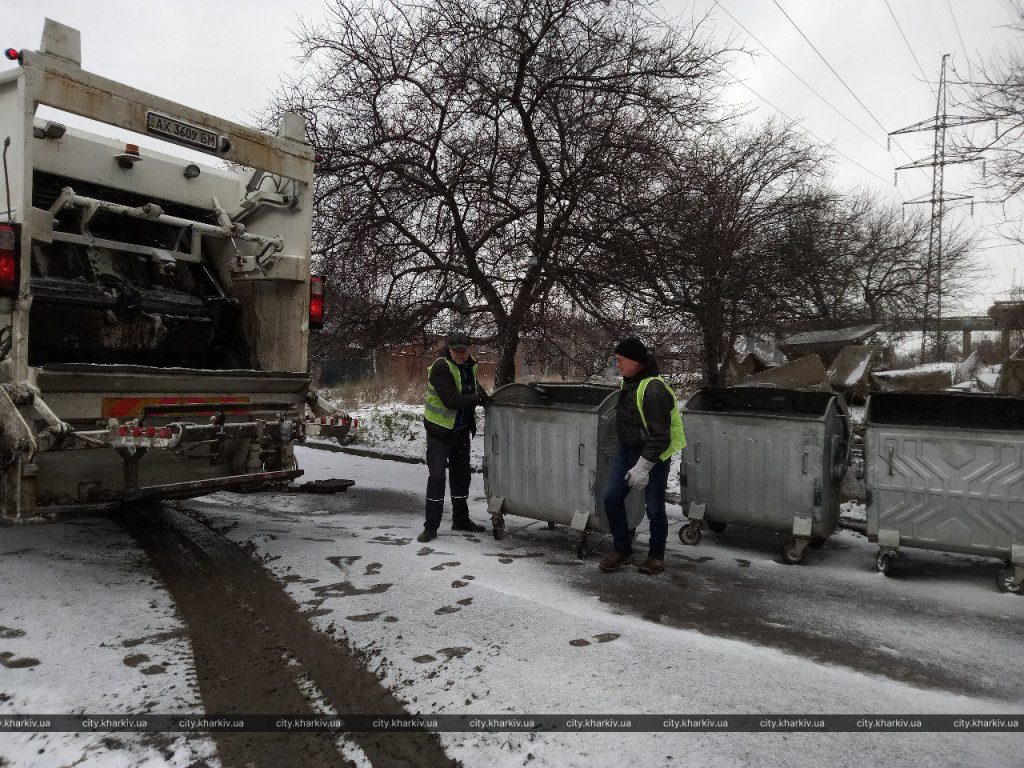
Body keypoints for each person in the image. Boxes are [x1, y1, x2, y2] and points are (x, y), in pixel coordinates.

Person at [599, 337, 686, 575]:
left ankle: (656, 557)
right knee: (611, 499)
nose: (617, 364)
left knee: (655, 508)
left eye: (620, 360)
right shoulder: (630, 382)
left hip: (654, 455)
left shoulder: (653, 389)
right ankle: (622, 550)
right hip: (628, 450)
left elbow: (660, 437)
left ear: (636, 361)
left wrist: (643, 467)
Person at [418, 331, 491, 543]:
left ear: (469, 349)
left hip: (460, 431)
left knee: (461, 476)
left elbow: (471, 384)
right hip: (439, 432)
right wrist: (477, 398)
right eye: (457, 351)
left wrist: (484, 395)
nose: (461, 354)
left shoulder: (471, 364)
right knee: (437, 477)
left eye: (464, 351)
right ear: (450, 350)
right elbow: (451, 400)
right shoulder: (441, 367)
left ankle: (461, 519)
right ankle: (430, 527)